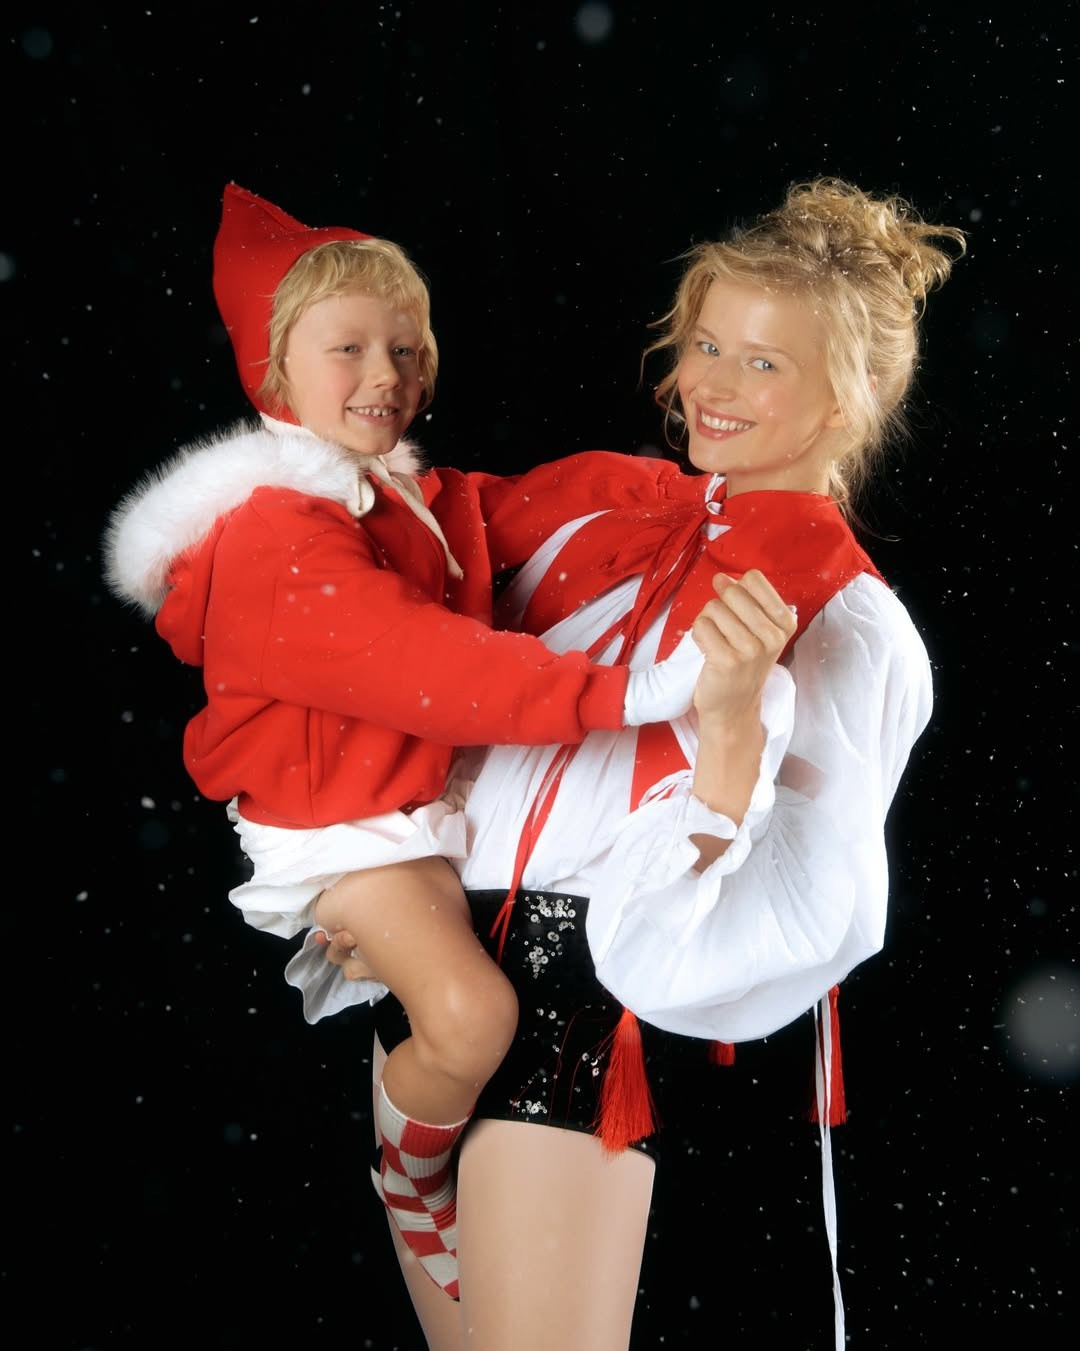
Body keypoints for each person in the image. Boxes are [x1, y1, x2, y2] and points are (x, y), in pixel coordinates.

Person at [315, 177, 966, 1350]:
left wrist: (731, 727)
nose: (714, 384)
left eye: (763, 363)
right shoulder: (586, 512)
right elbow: (402, 673)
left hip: (590, 1010)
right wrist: (371, 871)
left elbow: (804, 906)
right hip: (436, 974)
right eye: (707, 344)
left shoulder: (850, 624)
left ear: (849, 397)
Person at [101, 183, 706, 1300]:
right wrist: (629, 692)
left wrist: (677, 497)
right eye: (348, 349)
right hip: (335, 829)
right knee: (473, 1016)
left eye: (407, 348)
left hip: (397, 809)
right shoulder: (277, 537)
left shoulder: (391, 494)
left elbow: (512, 507)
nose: (385, 374)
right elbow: (429, 665)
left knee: (474, 997)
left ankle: (423, 1145)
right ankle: (408, 1173)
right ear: (274, 372)